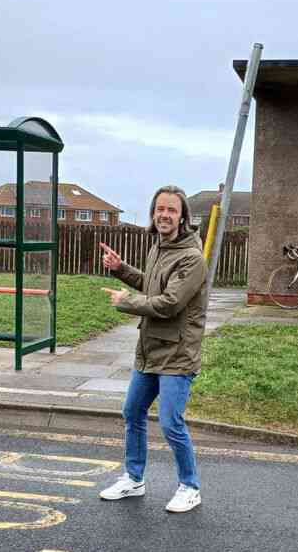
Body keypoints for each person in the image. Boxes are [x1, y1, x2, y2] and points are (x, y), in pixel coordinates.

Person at [98, 185, 208, 513]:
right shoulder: (159, 248)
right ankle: (134, 479)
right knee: (132, 412)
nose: (164, 215)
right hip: (149, 348)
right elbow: (152, 285)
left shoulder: (192, 258)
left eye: (171, 210)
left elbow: (171, 303)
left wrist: (125, 302)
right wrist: (121, 269)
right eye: (160, 209)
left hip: (177, 352)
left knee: (171, 422)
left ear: (182, 216)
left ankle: (190, 486)